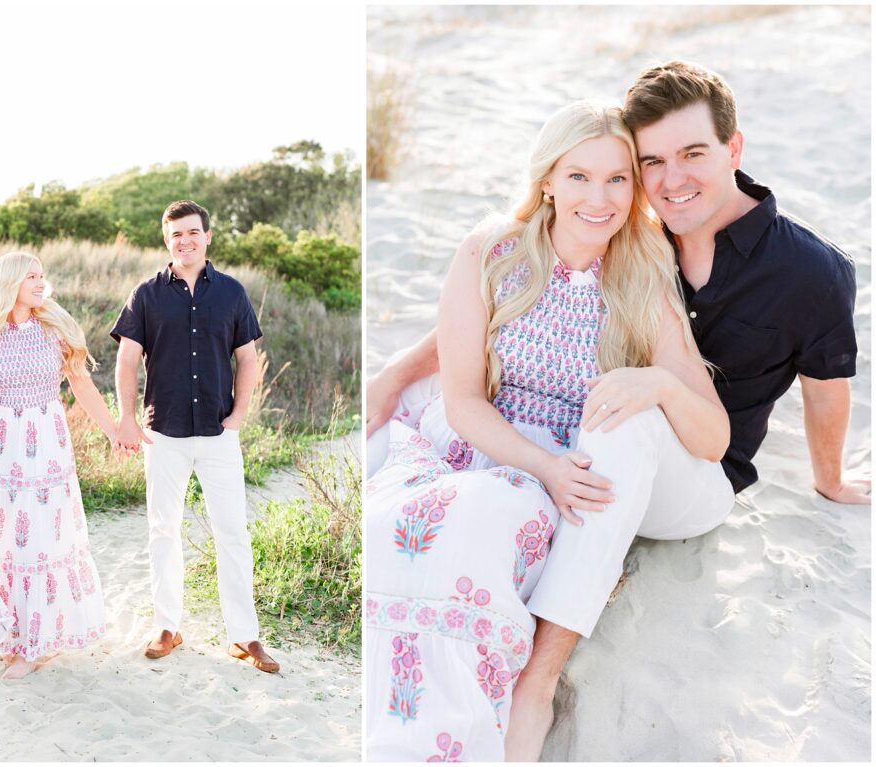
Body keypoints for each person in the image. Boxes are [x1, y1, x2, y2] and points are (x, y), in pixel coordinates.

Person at [366, 61, 863, 760]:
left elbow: (826, 383)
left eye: (692, 154)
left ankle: (537, 682)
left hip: (697, 470)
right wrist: (395, 370)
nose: (670, 177)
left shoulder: (797, 272)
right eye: (651, 161)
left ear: (734, 150)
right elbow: (487, 312)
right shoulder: (632, 234)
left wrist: (830, 477)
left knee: (621, 423)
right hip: (572, 446)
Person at [366, 100, 730, 761]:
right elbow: (464, 397)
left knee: (479, 527)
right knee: (419, 529)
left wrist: (662, 384)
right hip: (505, 446)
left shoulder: (642, 280)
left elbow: (713, 438)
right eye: (580, 177)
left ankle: (525, 691)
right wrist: (542, 465)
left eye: (618, 178)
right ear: (548, 182)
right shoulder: (491, 253)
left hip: (585, 464)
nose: (600, 197)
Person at [111, 200, 279, 673]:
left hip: (218, 432)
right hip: (162, 432)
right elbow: (126, 360)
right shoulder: (145, 294)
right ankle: (168, 626)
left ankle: (244, 637)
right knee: (163, 530)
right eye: (175, 235)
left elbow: (247, 358)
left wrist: (240, 414)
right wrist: (126, 418)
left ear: (207, 237)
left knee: (233, 533)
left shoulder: (231, 293)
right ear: (167, 240)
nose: (183, 241)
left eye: (191, 233)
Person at [0, 252, 116, 680]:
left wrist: (113, 431)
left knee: (40, 542)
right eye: (31, 276)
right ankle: (14, 635)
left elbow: (82, 385)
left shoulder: (55, 328)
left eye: (42, 275)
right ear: (10, 283)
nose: (41, 283)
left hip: (45, 452)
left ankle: (34, 646)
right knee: (5, 545)